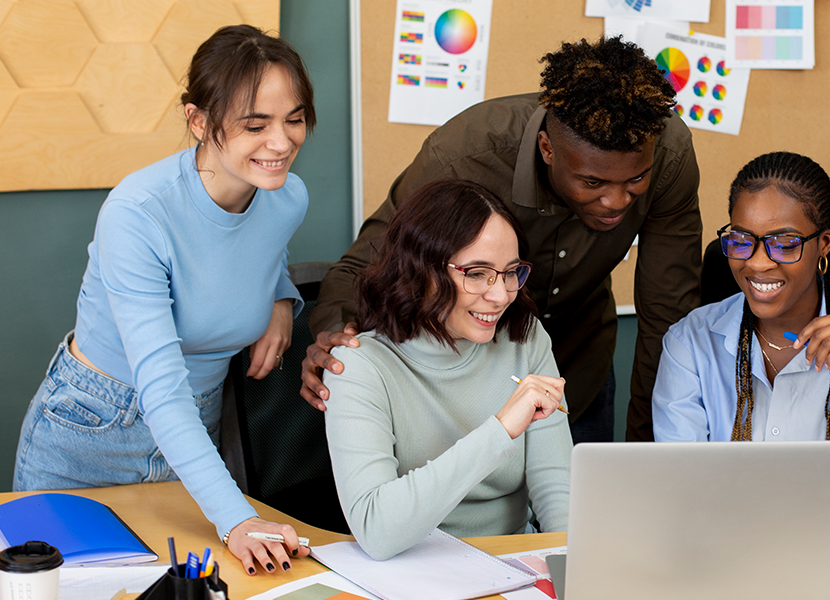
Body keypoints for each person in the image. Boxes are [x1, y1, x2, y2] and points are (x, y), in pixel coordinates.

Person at [13, 25, 314, 575]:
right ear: (198, 120)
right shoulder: (137, 214)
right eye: (255, 125)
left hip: (195, 431)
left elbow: (255, 247)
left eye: (293, 119)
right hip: (92, 431)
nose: (281, 142)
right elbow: (161, 385)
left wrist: (280, 296)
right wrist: (236, 518)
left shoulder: (286, 197)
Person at [302, 37, 702, 443]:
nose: (617, 202)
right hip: (459, 380)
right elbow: (363, 269)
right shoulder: (463, 157)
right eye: (592, 182)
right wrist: (340, 341)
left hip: (577, 368)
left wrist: (652, 454)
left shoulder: (666, 150)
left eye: (635, 179)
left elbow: (668, 313)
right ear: (547, 149)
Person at [652, 152, 830, 523]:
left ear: (824, 244)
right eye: (741, 240)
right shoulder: (691, 343)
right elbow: (684, 494)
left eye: (785, 243)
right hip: (726, 543)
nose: (757, 262)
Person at [322, 179, 571, 560]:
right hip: (412, 568)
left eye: (510, 272)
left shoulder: (526, 337)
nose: (500, 295)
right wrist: (501, 430)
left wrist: (574, 570)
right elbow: (377, 531)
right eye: (477, 273)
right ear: (421, 270)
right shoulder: (358, 365)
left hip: (516, 564)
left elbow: (559, 493)